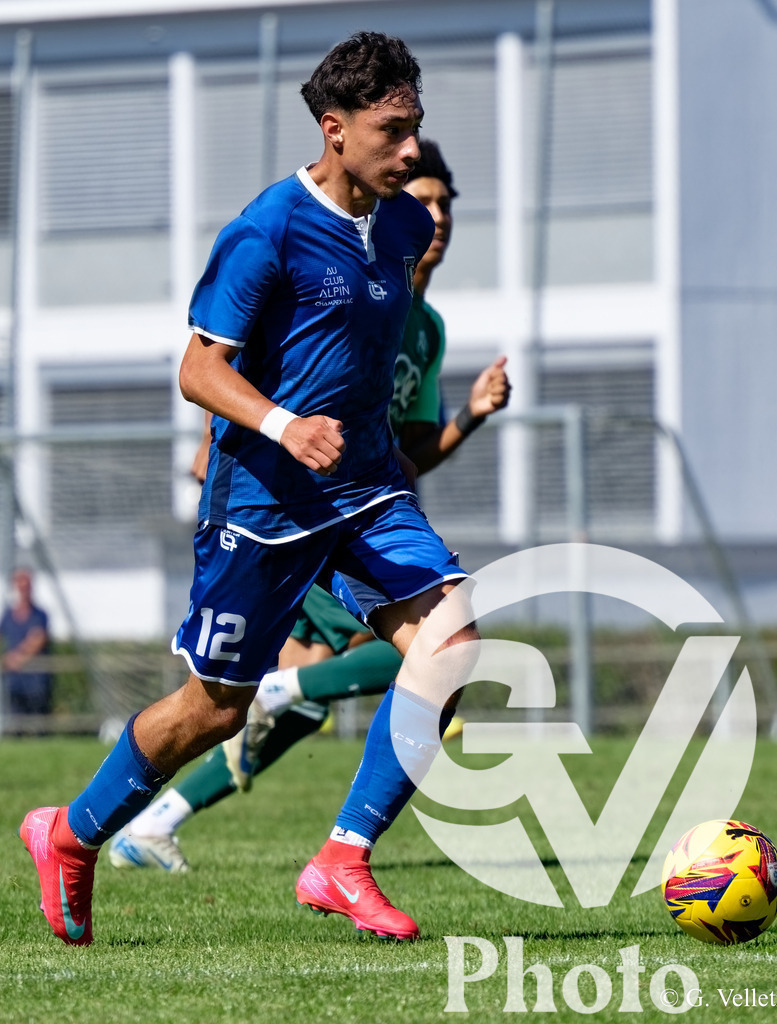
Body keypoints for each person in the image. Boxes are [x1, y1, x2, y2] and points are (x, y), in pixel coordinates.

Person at [20, 32, 482, 946]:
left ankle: (341, 860)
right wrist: (281, 424)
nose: (409, 152)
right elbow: (198, 368)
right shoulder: (266, 227)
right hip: (262, 501)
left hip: (362, 491)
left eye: (416, 129)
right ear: (333, 129)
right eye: (391, 132)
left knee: (453, 638)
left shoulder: (402, 226)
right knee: (214, 709)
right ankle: (70, 833)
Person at [108, 140, 510, 873]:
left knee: (372, 672)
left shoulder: (423, 330)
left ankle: (162, 818)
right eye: (422, 199)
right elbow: (242, 359)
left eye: (446, 203)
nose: (435, 215)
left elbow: (412, 453)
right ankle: (132, 815)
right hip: (279, 508)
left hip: (362, 511)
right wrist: (224, 440)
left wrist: (472, 415)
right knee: (311, 682)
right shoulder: (301, 244)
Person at [1, 568, 53, 721]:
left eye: (26, 586)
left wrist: (17, 658)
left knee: (40, 725)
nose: (23, 590)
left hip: (36, 682)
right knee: (16, 726)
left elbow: (38, 639)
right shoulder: (8, 615)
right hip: (14, 681)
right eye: (20, 586)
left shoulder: (40, 615)